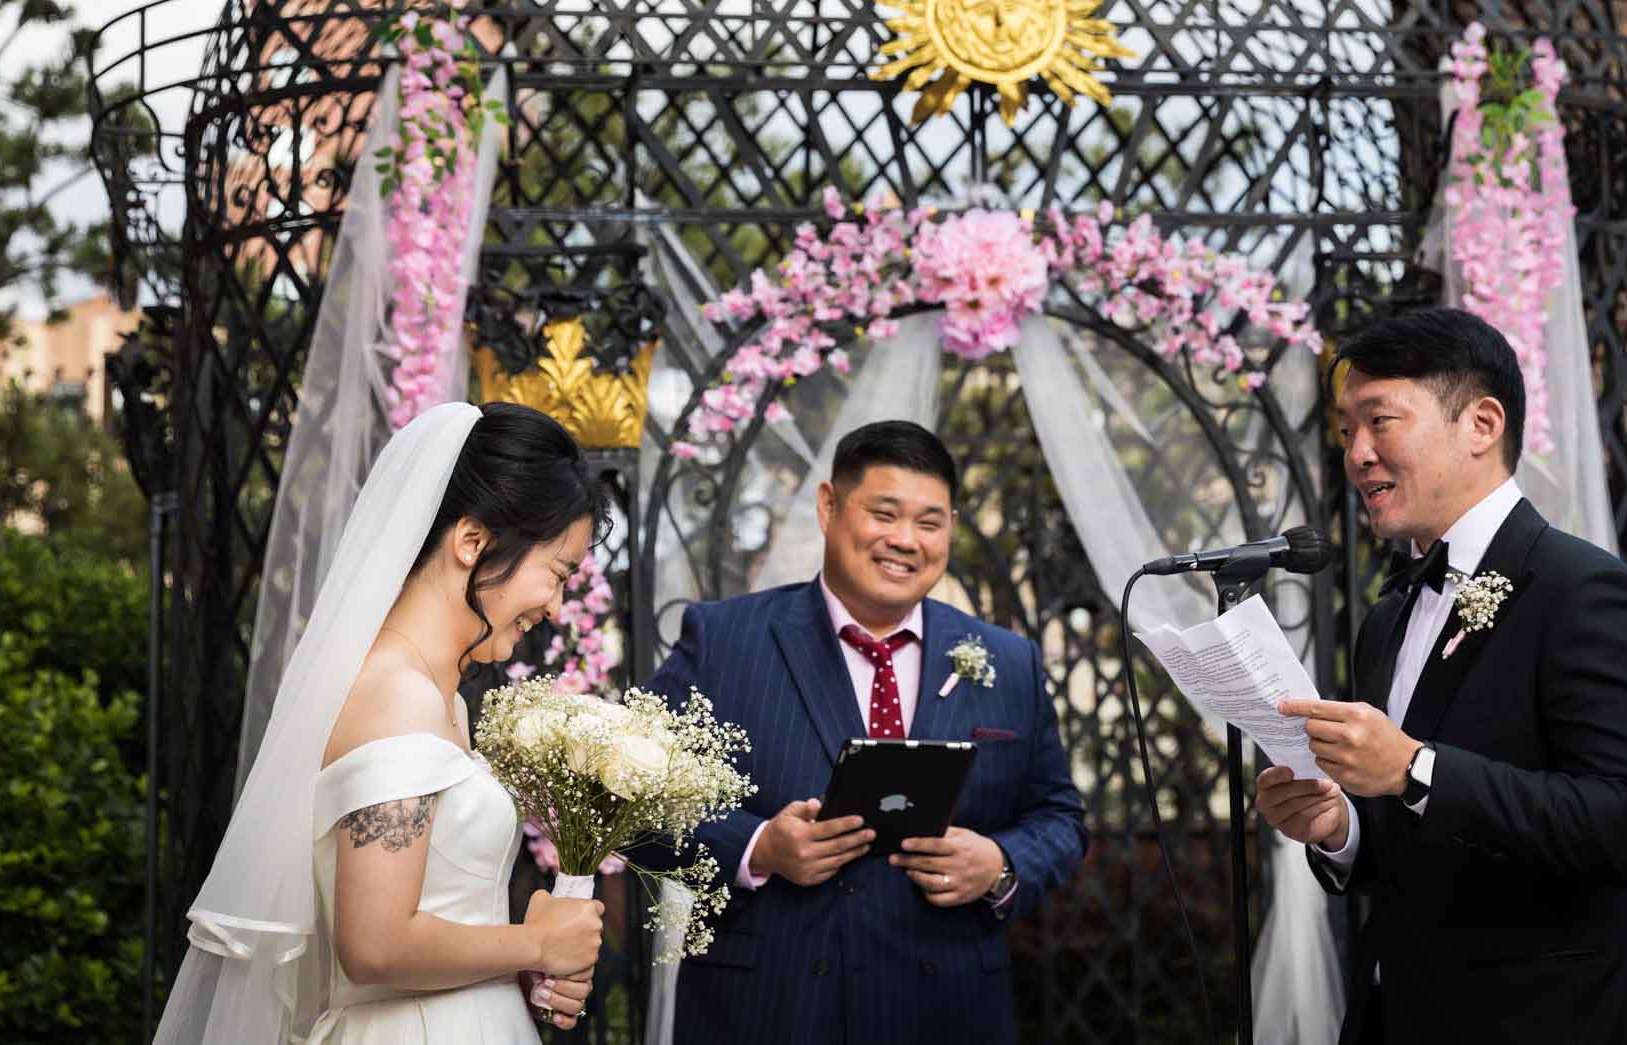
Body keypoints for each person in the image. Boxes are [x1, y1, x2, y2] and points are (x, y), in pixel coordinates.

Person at [1257, 308, 1627, 1044]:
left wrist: (1416, 768)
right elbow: (1410, 840)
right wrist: (1339, 829)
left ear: (1482, 424)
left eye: (1380, 420)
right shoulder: (1388, 619)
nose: (1357, 453)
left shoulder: (1586, 593)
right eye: (1345, 430)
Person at [155, 402, 611, 1043]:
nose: (558, 609)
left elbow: (430, 913)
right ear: (472, 542)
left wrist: (527, 956)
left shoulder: (437, 698)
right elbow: (374, 944)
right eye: (557, 574)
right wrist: (533, 943)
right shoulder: (398, 698)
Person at [645, 419, 1087, 1044]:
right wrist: (758, 848)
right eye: (885, 513)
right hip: (771, 1008)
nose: (905, 540)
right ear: (829, 507)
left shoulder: (1007, 660)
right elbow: (631, 806)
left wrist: (1000, 863)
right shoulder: (723, 640)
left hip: (948, 1011)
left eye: (929, 523)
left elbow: (1060, 818)